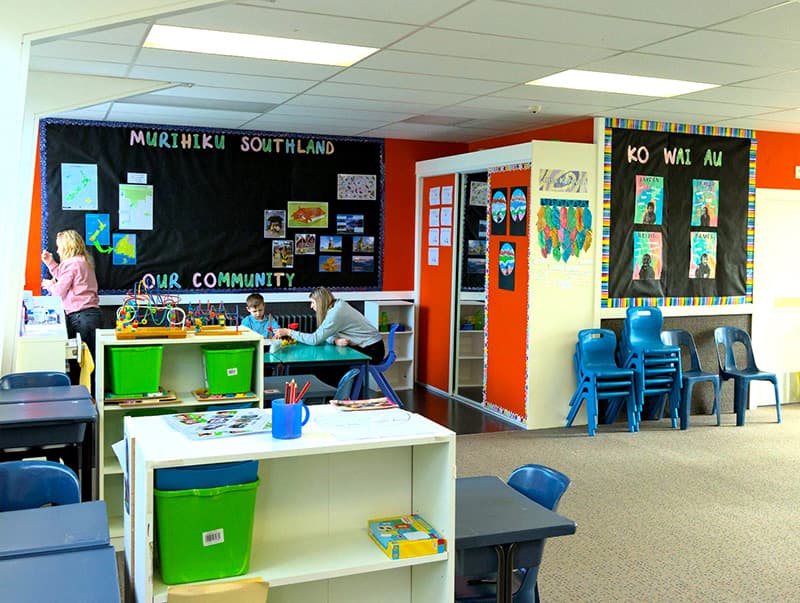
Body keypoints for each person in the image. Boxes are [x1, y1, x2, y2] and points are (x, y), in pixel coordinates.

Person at [41, 229, 102, 383]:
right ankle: (90, 393)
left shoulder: (71, 264)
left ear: (66, 247)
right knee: (90, 362)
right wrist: (50, 262)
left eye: (59, 247)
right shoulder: (83, 261)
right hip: (90, 315)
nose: (57, 251)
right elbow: (64, 277)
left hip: (80, 317)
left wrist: (48, 285)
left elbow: (58, 291)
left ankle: (79, 393)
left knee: (79, 362)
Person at [275, 286, 385, 364]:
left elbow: (315, 339)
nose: (311, 306)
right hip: (368, 346)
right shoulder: (337, 305)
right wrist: (335, 340)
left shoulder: (335, 314)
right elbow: (325, 335)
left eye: (313, 302)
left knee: (332, 365)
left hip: (372, 351)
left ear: (320, 302)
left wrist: (288, 332)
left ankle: (347, 389)